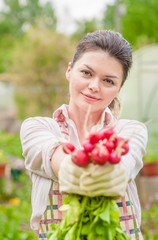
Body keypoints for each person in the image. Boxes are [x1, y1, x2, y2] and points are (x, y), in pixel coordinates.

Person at [20, 30, 148, 240]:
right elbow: (54, 156)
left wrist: (112, 171)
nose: (94, 86)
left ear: (118, 89)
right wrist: (76, 167)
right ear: (69, 70)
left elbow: (124, 164)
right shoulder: (37, 128)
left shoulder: (129, 131)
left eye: (108, 81)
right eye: (86, 73)